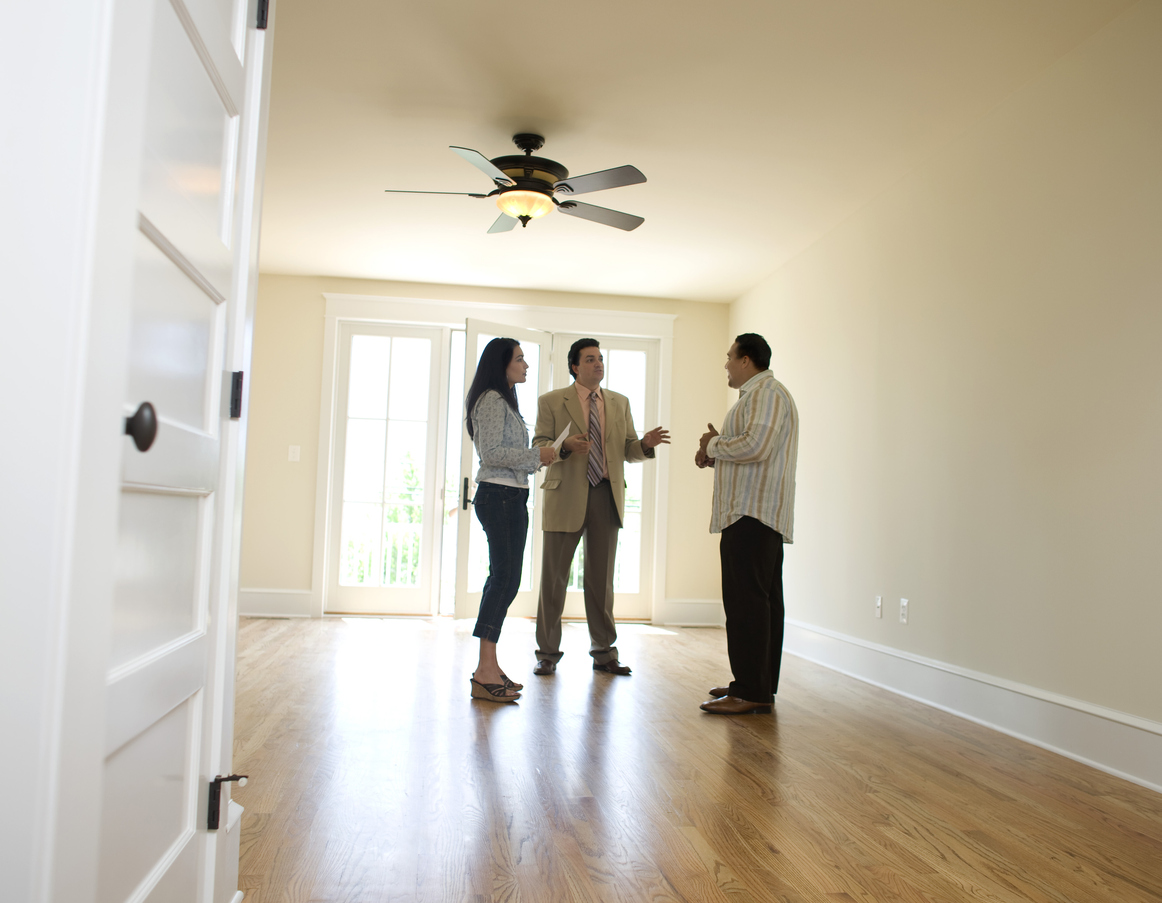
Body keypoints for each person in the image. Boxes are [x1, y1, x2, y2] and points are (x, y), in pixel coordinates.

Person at [531, 339, 670, 675]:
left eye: (600, 359)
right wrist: (564, 447)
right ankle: (547, 653)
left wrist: (645, 445)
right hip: (565, 495)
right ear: (575, 366)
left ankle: (604, 652)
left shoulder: (619, 403)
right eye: (590, 359)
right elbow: (539, 445)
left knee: (601, 580)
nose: (598, 364)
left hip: (606, 495)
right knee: (554, 579)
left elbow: (627, 450)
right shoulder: (551, 401)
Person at [696, 333, 798, 715]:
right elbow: (750, 449)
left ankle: (751, 691)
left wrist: (713, 445)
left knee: (747, 605)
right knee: (760, 603)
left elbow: (756, 446)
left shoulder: (767, 394)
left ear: (747, 359)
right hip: (752, 513)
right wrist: (716, 453)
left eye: (729, 357)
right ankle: (755, 686)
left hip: (751, 514)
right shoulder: (758, 396)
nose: (726, 364)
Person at [465, 338, 557, 703]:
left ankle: (489, 665)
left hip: (510, 494)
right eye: (520, 359)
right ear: (501, 363)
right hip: (500, 495)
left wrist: (541, 457)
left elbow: (504, 451)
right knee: (504, 580)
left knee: (505, 580)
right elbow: (492, 453)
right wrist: (537, 454)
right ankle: (485, 670)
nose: (526, 365)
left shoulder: (502, 401)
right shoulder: (490, 399)